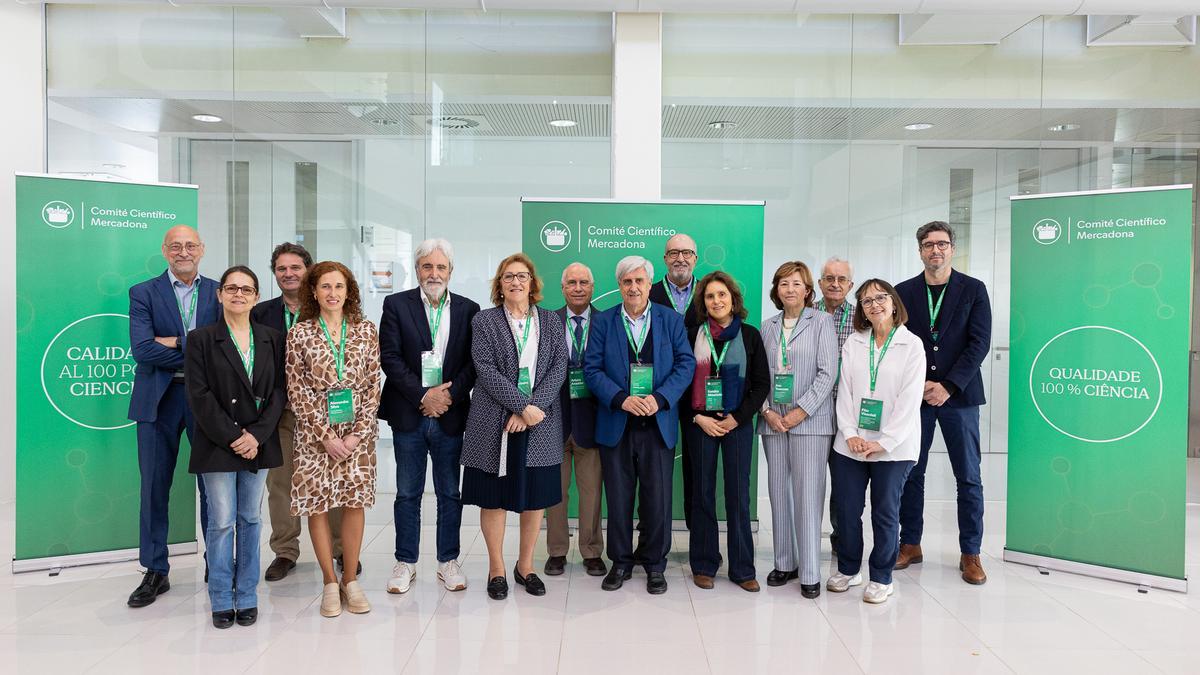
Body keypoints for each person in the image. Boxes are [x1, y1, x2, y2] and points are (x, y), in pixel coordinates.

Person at [584, 256, 695, 595]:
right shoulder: (603, 322)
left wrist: (660, 398)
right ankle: (620, 562)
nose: (633, 287)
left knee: (657, 499)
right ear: (619, 286)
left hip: (658, 422)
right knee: (618, 497)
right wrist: (621, 398)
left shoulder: (670, 320)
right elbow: (592, 369)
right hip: (617, 421)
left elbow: (685, 364)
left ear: (650, 284)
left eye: (639, 281)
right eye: (627, 282)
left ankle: (654, 564)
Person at [461, 253, 567, 600]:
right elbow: (485, 369)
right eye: (508, 277)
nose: (516, 282)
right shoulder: (485, 321)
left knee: (535, 497)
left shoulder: (551, 321)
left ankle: (526, 566)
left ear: (532, 283)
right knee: (493, 498)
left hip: (540, 423)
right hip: (495, 422)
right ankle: (496, 568)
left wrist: (532, 409)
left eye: (522, 276)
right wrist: (522, 406)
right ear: (500, 285)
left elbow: (558, 368)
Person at [185, 266, 285, 628]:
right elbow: (199, 395)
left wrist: (256, 435)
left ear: (256, 296)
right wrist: (233, 436)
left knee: (251, 518)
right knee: (222, 522)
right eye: (232, 288)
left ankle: (247, 595)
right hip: (218, 442)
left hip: (257, 442)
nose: (238, 294)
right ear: (220, 294)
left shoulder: (272, 337)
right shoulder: (201, 339)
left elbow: (278, 391)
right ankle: (221, 598)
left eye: (246, 289)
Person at [894, 221, 992, 585]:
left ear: (952, 248)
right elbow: (898, 343)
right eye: (928, 245)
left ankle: (971, 552)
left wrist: (948, 385)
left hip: (960, 397)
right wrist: (920, 384)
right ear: (920, 250)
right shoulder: (903, 292)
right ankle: (910, 543)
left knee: (968, 475)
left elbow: (979, 344)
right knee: (909, 472)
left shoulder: (974, 290)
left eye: (942, 244)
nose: (935, 250)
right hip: (916, 397)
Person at [126, 225, 219, 608]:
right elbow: (143, 350)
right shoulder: (143, 292)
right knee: (154, 487)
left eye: (190, 245)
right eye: (176, 246)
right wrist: (195, 344)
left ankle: (217, 563)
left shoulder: (220, 291)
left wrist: (175, 341)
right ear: (165, 251)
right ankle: (155, 570)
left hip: (207, 399)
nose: (184, 252)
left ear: (202, 249)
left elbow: (226, 346)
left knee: (214, 487)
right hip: (157, 400)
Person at [379, 239, 479, 594]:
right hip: (409, 413)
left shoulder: (469, 309)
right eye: (427, 266)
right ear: (417, 269)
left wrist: (446, 396)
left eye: (441, 267)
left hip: (450, 415)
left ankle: (447, 561)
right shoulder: (395, 305)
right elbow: (389, 358)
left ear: (450, 272)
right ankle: (405, 562)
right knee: (407, 493)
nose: (434, 273)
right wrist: (424, 395)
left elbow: (473, 363)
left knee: (450, 493)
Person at [286, 261, 381, 617]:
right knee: (319, 505)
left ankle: (350, 580)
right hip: (314, 437)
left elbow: (374, 384)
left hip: (357, 435)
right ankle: (329, 581)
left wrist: (357, 434)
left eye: (338, 286)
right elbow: (296, 389)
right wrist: (325, 435)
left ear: (348, 291)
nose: (332, 293)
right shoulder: (300, 334)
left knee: (354, 502)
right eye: (325, 287)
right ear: (313, 291)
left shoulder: (366, 330)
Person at [252, 243, 349, 582]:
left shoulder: (325, 309)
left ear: (309, 270)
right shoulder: (259, 313)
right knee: (280, 483)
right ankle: (285, 551)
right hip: (279, 413)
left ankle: (341, 550)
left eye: (296, 267)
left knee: (333, 481)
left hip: (326, 414)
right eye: (282, 268)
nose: (289, 273)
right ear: (275, 274)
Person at [827, 280, 925, 604]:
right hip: (851, 445)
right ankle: (849, 568)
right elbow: (845, 392)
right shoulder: (854, 343)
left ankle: (882, 576)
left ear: (893, 303)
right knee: (847, 509)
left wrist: (884, 441)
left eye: (880, 298)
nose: (874, 305)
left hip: (894, 448)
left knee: (885, 512)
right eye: (866, 301)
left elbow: (909, 401)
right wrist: (851, 433)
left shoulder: (911, 346)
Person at [682, 271, 770, 592]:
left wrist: (738, 417)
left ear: (733, 299)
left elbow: (761, 385)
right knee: (702, 493)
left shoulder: (749, 335)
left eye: (722, 295)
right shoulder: (692, 335)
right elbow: (679, 382)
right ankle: (704, 563)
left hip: (738, 424)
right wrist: (696, 416)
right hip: (700, 424)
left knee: (737, 495)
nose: (716, 301)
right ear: (703, 303)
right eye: (709, 296)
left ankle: (743, 568)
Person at [757, 261, 838, 598]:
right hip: (773, 420)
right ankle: (785, 562)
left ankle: (809, 571)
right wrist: (767, 411)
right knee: (778, 492)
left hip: (810, 422)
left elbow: (827, 372)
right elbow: (759, 375)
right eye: (783, 283)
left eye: (796, 283)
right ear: (776, 290)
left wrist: (799, 412)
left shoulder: (821, 322)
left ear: (808, 290)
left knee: (807, 495)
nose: (789, 289)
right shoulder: (768, 326)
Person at [544, 262, 607, 578]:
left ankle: (592, 551)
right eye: (572, 282)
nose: (578, 288)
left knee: (592, 492)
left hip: (592, 422)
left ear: (592, 287)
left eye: (584, 282)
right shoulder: (546, 322)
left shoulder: (607, 321)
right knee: (555, 492)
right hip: (552, 421)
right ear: (563, 287)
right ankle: (556, 551)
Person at [647, 233, 700, 529]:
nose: (680, 258)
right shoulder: (648, 293)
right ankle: (651, 538)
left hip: (701, 395)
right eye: (674, 253)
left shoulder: (711, 293)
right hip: (658, 394)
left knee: (696, 468)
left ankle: (697, 538)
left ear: (696, 258)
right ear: (664, 258)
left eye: (687, 253)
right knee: (653, 470)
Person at [815, 257, 855, 558]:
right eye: (829, 278)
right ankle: (804, 540)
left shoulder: (860, 319)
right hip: (812, 413)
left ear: (850, 285)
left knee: (844, 485)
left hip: (846, 415)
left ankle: (841, 540)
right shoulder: (804, 315)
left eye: (842, 279)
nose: (835, 284)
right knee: (809, 482)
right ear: (819, 283)